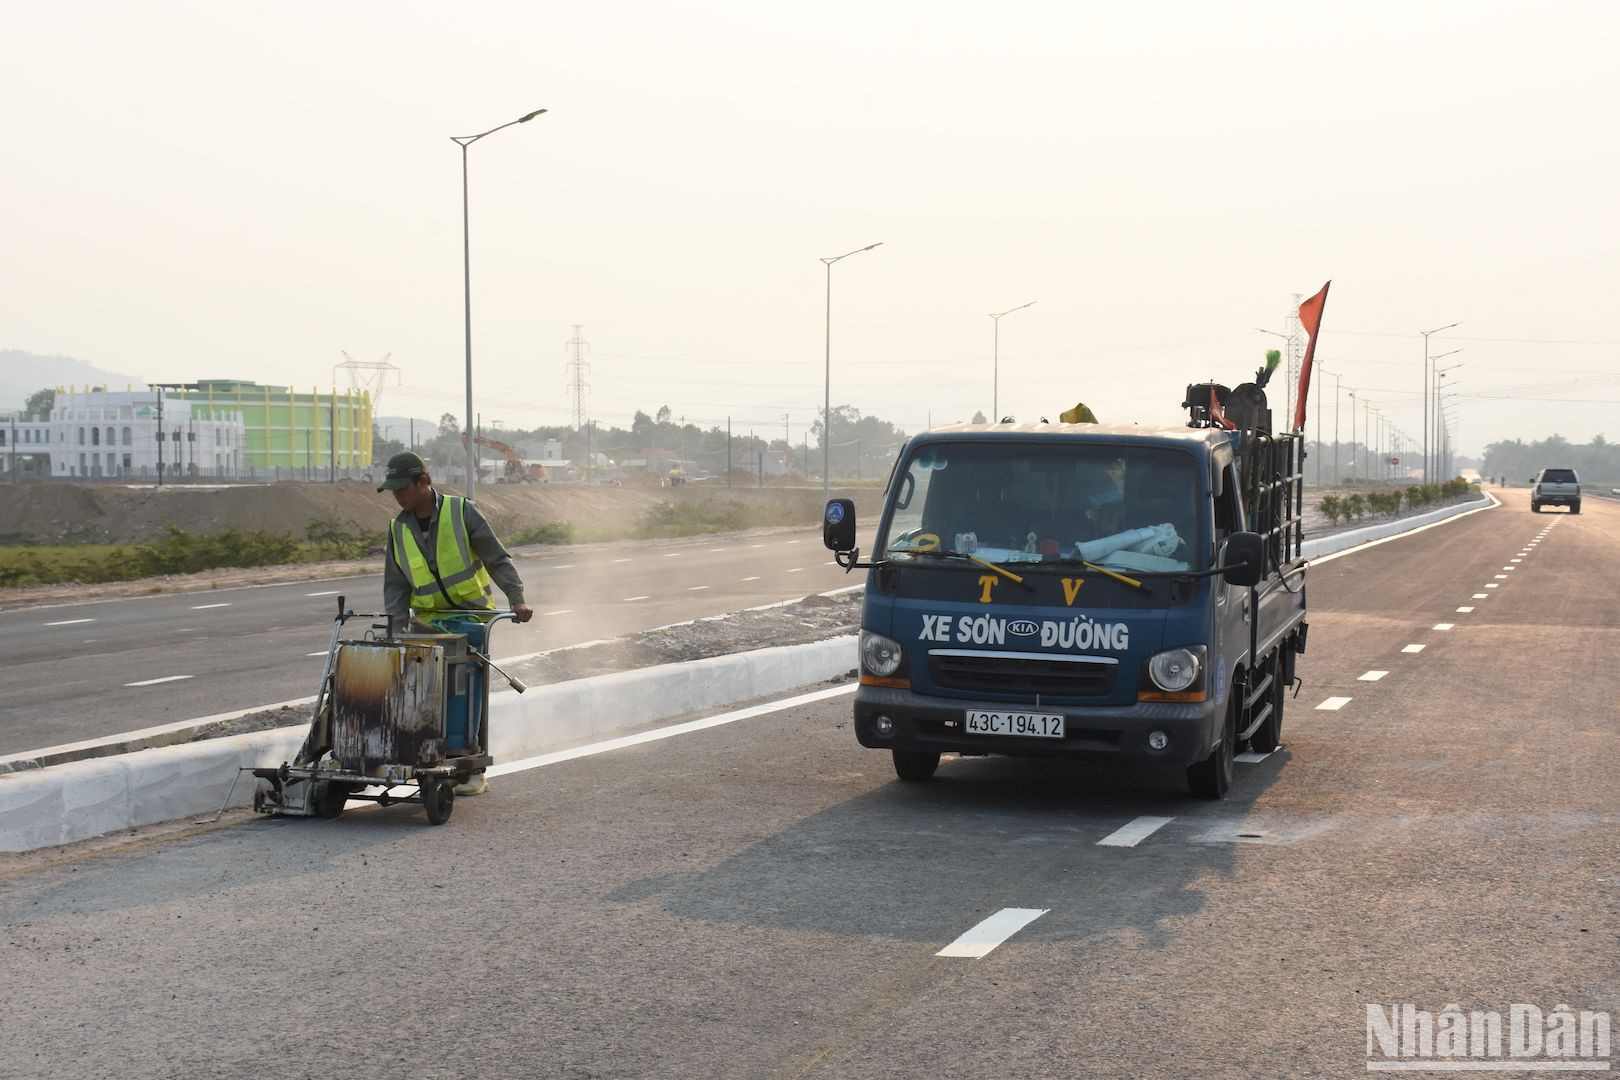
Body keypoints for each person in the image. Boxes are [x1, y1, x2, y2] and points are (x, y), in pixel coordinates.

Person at [378, 451, 533, 794]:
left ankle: (470, 765)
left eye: (402, 488)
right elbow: (395, 586)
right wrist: (396, 631)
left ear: (423, 481)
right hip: (427, 624)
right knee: (419, 692)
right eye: (393, 490)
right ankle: (426, 755)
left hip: (469, 618)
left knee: (462, 683)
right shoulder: (397, 528)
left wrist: (516, 597)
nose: (398, 495)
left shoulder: (461, 511)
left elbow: (496, 558)